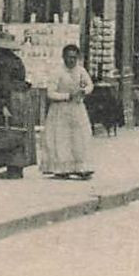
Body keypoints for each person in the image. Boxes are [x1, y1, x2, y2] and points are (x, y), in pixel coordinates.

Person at [0, 32, 37, 179]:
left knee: (6, 129)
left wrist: (4, 105)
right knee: (17, 129)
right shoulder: (16, 60)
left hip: (9, 98)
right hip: (21, 99)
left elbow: (4, 85)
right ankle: (16, 166)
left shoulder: (3, 62)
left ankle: (12, 167)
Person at [43, 43, 95, 179]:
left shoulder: (81, 71)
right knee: (61, 138)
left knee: (79, 137)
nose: (71, 60)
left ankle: (80, 167)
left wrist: (84, 91)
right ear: (63, 57)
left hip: (77, 109)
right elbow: (50, 93)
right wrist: (67, 96)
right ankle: (61, 169)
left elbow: (90, 85)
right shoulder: (57, 72)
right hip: (60, 111)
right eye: (68, 57)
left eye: (74, 57)